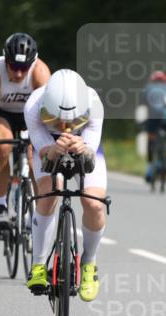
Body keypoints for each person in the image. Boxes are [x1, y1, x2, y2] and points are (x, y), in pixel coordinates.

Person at [23, 69, 107, 302]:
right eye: (55, 120)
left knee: (94, 204)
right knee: (48, 194)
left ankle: (89, 264)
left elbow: (89, 157)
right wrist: (53, 149)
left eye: (72, 121)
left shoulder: (94, 103)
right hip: (48, 148)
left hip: (85, 147)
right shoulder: (33, 105)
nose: (63, 126)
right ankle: (39, 265)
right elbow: (43, 152)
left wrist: (82, 147)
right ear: (45, 109)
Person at [0, 32, 51, 230]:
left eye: (24, 68)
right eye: (14, 67)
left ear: (32, 63)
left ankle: (38, 211)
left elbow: (47, 117)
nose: (19, 74)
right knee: (2, 147)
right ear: (6, 61)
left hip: (33, 117)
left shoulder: (41, 73)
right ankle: (0, 205)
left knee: (35, 157)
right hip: (4, 115)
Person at [143, 70, 166, 183]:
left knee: (151, 139)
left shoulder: (149, 87)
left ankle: (149, 168)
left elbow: (142, 104)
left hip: (155, 115)